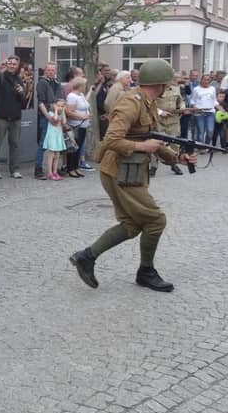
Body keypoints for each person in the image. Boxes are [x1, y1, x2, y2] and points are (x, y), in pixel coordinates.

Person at [69, 59, 197, 293]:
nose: (169, 87)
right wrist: (141, 147)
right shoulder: (131, 103)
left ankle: (86, 257)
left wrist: (176, 158)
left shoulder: (148, 102)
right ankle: (146, 272)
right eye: (167, 84)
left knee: (131, 225)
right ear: (159, 83)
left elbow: (152, 139)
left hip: (127, 169)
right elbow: (112, 139)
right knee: (156, 220)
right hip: (120, 170)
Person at [0, 56, 25, 179]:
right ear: (7, 64)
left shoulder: (18, 78)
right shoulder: (1, 76)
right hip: (0, 116)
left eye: (14, 64)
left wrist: (22, 92)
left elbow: (23, 99)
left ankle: (15, 169)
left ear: (17, 66)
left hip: (15, 117)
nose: (12, 66)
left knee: (15, 144)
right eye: (10, 63)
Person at [34, 63, 62, 179]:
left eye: (53, 70)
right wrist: (47, 116)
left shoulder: (57, 84)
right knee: (43, 143)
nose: (51, 72)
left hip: (56, 115)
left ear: (56, 71)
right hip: (46, 116)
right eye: (49, 70)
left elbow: (59, 100)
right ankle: (38, 169)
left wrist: (59, 114)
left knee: (56, 143)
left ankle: (54, 169)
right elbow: (40, 102)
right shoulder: (42, 83)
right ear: (45, 71)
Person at [154, 79, 185, 174]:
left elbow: (181, 101)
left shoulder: (176, 89)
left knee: (174, 143)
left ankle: (173, 164)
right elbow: (149, 104)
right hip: (159, 120)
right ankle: (153, 166)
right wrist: (160, 112)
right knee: (157, 143)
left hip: (173, 120)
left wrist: (182, 108)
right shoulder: (156, 89)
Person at [64, 76, 92, 177]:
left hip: (83, 125)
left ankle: (76, 167)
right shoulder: (72, 96)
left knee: (79, 147)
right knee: (73, 147)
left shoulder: (81, 95)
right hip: (76, 125)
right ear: (80, 85)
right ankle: (71, 168)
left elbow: (85, 103)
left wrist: (90, 91)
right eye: (84, 85)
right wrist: (82, 117)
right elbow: (69, 112)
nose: (85, 87)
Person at [188, 74, 219, 145]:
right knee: (201, 132)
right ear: (201, 80)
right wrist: (194, 106)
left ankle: (207, 145)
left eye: (208, 80)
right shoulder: (196, 89)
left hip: (210, 112)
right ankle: (201, 147)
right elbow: (192, 100)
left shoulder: (212, 89)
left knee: (210, 131)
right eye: (204, 79)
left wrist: (220, 108)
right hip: (199, 113)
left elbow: (214, 100)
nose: (206, 81)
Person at [42, 99, 67, 180]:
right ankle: (50, 173)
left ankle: (55, 172)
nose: (60, 107)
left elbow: (64, 122)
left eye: (62, 106)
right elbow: (55, 119)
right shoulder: (51, 113)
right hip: (52, 135)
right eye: (58, 106)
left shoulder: (61, 113)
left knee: (57, 155)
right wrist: (56, 110)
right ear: (54, 105)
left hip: (58, 136)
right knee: (51, 155)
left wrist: (63, 111)